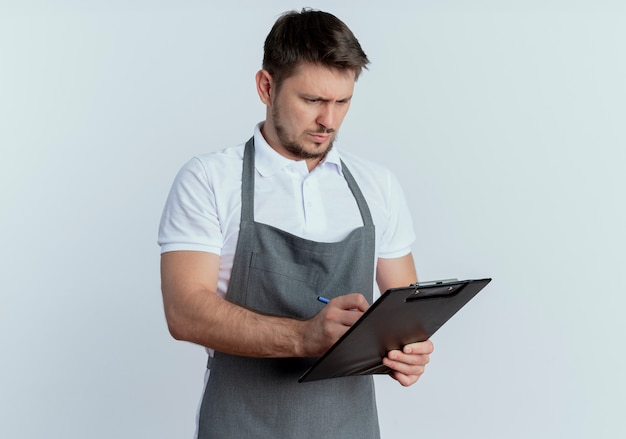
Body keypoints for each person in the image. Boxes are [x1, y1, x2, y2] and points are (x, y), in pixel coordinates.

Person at [158, 8, 434, 438]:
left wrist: (409, 351)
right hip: (242, 425)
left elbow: (406, 309)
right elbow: (184, 313)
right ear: (266, 87)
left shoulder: (377, 186)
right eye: (312, 101)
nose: (329, 120)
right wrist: (304, 336)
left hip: (351, 427)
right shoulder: (210, 179)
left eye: (342, 101)